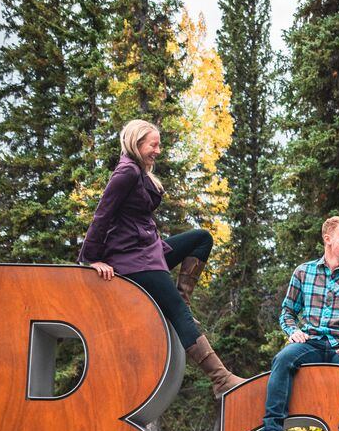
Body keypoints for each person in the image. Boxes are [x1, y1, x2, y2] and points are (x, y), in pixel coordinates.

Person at [79, 119, 245, 396]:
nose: (157, 150)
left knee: (201, 238)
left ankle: (182, 298)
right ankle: (221, 379)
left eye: (159, 144)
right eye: (152, 144)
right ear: (136, 142)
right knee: (179, 314)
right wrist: (92, 258)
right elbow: (102, 214)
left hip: (148, 251)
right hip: (132, 259)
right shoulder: (126, 173)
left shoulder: (140, 172)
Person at [250, 216, 339, 431]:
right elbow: (287, 312)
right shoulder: (303, 272)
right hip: (312, 342)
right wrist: (292, 331)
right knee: (283, 357)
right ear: (328, 239)